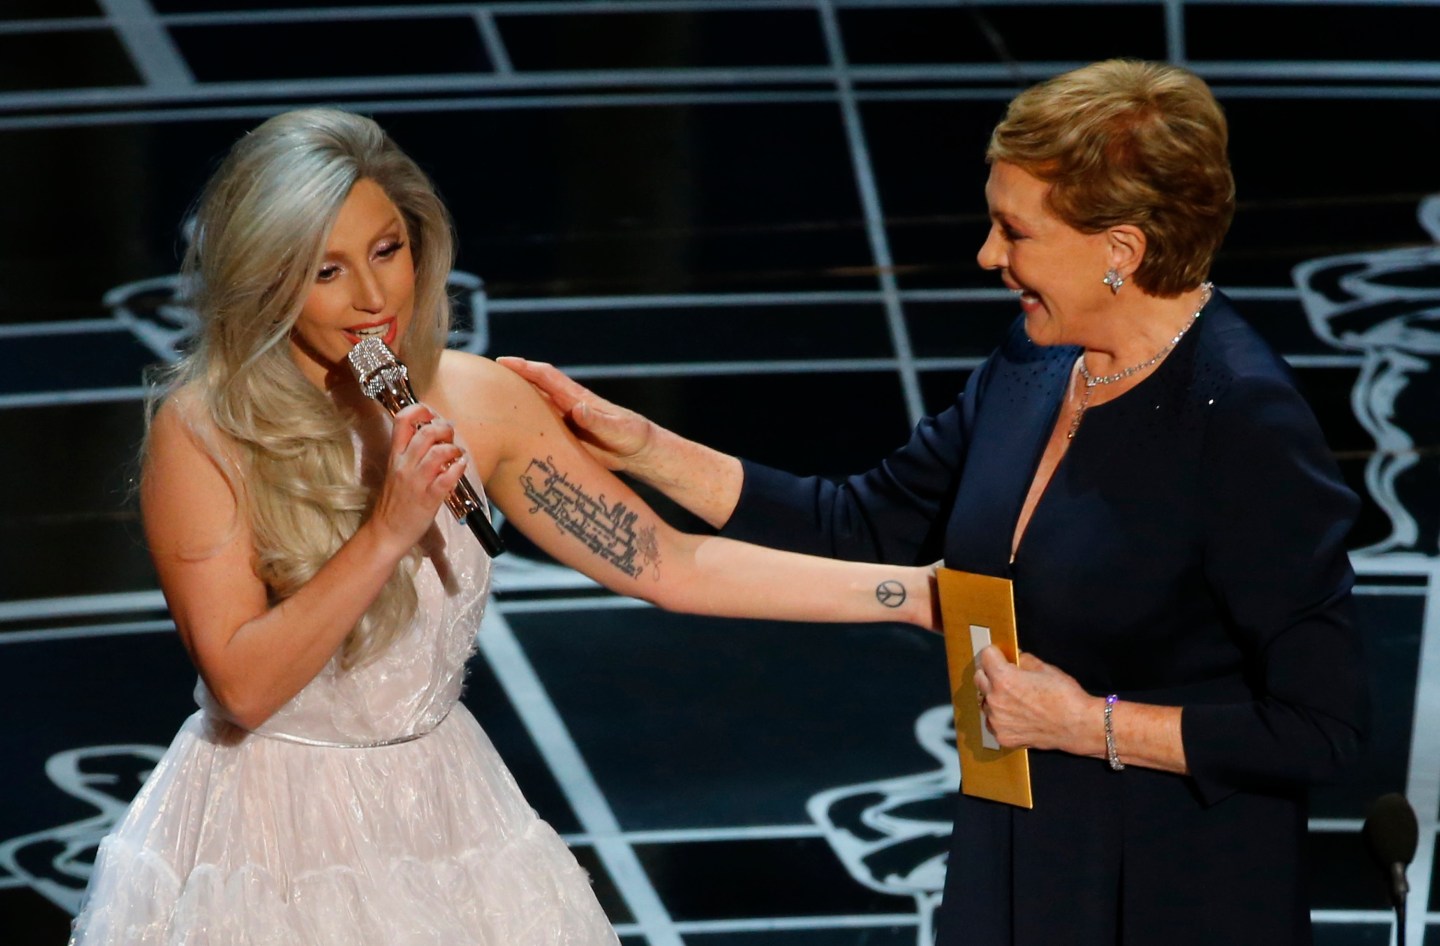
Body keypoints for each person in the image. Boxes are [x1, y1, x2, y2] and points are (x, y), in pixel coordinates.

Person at [503, 60, 1366, 945]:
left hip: (1172, 884)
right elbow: (861, 522)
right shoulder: (1036, 361)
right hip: (1014, 845)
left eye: (1014, 232)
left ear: (1122, 250)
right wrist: (652, 452)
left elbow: (1321, 731)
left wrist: (1089, 725)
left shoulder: (1242, 420)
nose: (989, 256)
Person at [68, 108, 939, 946]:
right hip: (270, 827)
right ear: (266, 276)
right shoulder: (206, 430)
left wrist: (913, 596)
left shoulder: (480, 400)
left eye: (388, 251)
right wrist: (387, 531)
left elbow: (670, 563)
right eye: (325, 271)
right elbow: (244, 688)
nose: (374, 297)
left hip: (444, 802)